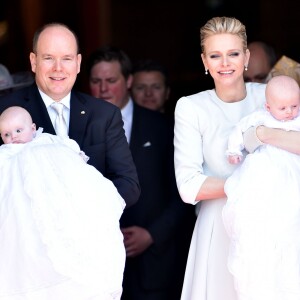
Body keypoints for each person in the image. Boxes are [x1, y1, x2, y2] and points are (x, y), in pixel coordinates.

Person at [174, 16, 300, 300]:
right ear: (205, 61)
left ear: (246, 56)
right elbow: (188, 186)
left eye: (233, 53)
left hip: (275, 225)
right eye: (215, 56)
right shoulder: (191, 107)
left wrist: (266, 134)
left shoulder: (270, 96)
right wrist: (248, 184)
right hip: (219, 227)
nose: (225, 63)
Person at [87, 46, 195, 300]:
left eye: (111, 80)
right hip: (96, 265)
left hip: (156, 264)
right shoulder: (77, 128)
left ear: (128, 81)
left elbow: (185, 191)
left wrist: (152, 234)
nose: (103, 89)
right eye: (96, 81)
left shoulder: (163, 127)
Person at [0, 22, 140, 208]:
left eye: (66, 58)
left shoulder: (105, 114)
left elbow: (128, 186)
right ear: (34, 62)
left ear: (78, 63)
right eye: (49, 58)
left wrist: (79, 207)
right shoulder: (4, 112)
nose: (58, 68)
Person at [0, 106, 126, 299]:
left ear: (33, 128)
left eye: (18, 130)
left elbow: (74, 163)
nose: (14, 137)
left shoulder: (48, 143)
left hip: (54, 206)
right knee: (28, 251)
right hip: (20, 216)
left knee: (64, 244)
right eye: (7, 134)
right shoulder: (5, 156)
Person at [223, 75, 300, 300]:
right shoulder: (259, 118)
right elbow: (239, 131)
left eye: (294, 106)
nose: (289, 112)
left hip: (292, 174)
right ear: (268, 106)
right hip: (264, 176)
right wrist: (233, 151)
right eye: (283, 107)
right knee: (259, 225)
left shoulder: (298, 120)